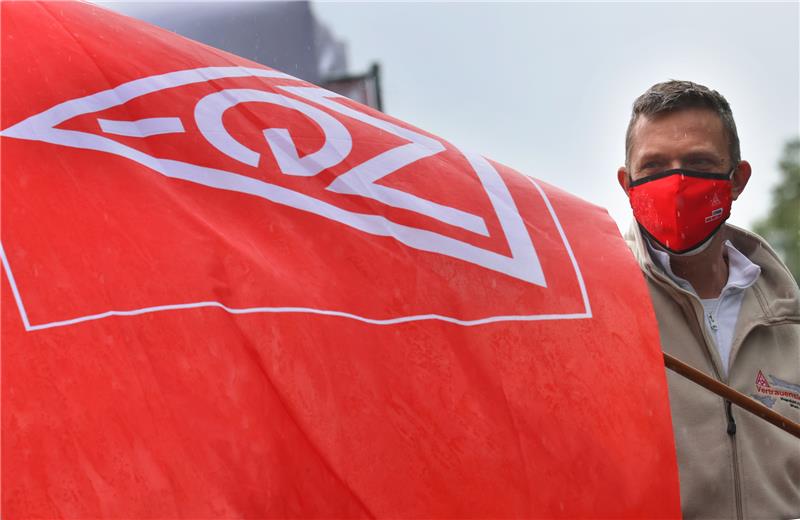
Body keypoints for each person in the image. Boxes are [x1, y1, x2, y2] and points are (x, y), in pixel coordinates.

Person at [617, 80, 800, 518]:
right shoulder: (603, 311)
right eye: (654, 166)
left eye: (699, 163)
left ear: (737, 179)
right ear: (627, 184)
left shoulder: (790, 323)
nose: (676, 183)